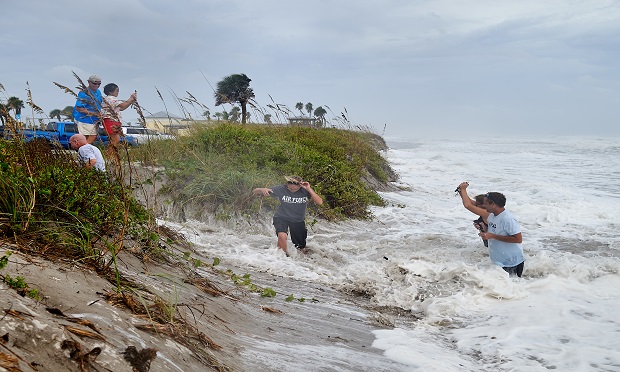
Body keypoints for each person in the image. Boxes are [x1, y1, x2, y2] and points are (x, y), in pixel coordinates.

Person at [457, 182, 524, 277]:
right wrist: (485, 229)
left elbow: (518, 239)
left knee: (511, 289)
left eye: (485, 204)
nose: (483, 206)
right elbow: (495, 231)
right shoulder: (492, 216)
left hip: (511, 262)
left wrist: (492, 236)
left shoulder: (508, 219)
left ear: (493, 204)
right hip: (498, 261)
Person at [253, 176, 323, 255]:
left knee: (300, 248)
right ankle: (283, 258)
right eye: (289, 188)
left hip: (298, 220)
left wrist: (309, 189)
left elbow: (319, 202)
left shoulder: (305, 191)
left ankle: (299, 262)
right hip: (281, 217)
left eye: (293, 189)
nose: (291, 190)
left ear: (299, 185)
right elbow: (255, 191)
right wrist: (262, 189)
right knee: (282, 235)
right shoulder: (281, 189)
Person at [101, 83, 137, 157]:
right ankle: (110, 156)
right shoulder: (110, 98)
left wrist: (131, 101)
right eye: (117, 90)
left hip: (113, 120)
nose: (118, 92)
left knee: (114, 140)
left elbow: (122, 108)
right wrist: (131, 98)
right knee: (115, 139)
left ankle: (111, 155)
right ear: (110, 92)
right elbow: (123, 105)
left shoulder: (109, 99)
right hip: (111, 120)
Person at [73, 75, 103, 144]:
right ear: (89, 82)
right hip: (84, 119)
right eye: (94, 83)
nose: (97, 85)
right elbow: (79, 108)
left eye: (99, 84)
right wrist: (94, 114)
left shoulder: (98, 92)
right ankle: (83, 150)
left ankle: (83, 151)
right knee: (91, 136)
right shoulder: (84, 93)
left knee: (90, 137)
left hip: (94, 120)